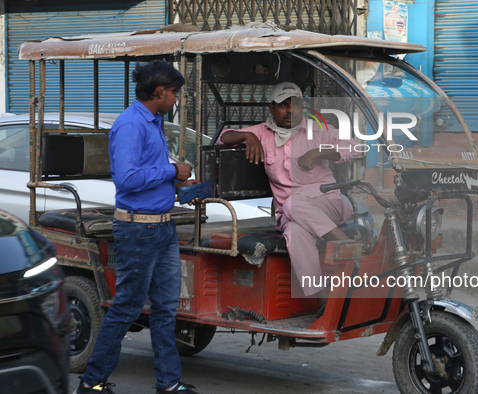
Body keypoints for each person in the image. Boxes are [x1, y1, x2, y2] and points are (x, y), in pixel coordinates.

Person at [77, 61, 199, 394]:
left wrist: (179, 185)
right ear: (160, 92)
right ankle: (91, 383)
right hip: (139, 231)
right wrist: (173, 171)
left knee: (165, 308)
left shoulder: (153, 121)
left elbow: (148, 174)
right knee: (128, 305)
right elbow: (127, 179)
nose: (176, 99)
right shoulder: (131, 125)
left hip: (162, 228)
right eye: (174, 93)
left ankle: (168, 383)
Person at [220, 82, 359, 316]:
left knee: (293, 204)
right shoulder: (262, 132)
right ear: (272, 109)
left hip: (327, 203)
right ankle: (322, 300)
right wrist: (247, 136)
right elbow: (223, 137)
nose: (290, 111)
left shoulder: (317, 130)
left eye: (295, 105)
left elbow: (355, 146)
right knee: (294, 231)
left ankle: (344, 242)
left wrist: (319, 152)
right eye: (283, 105)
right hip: (290, 213)